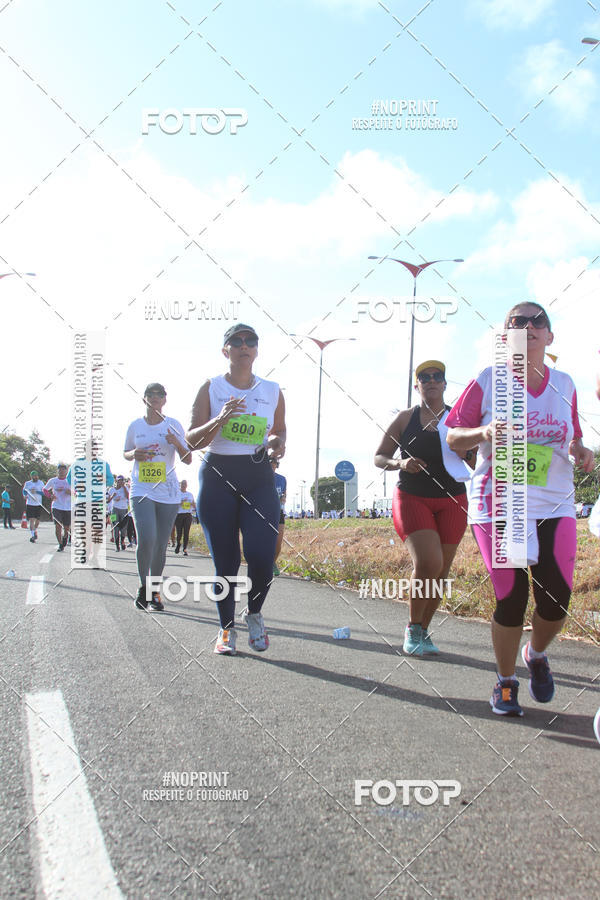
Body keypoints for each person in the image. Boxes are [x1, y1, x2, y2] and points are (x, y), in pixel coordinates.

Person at [446, 303, 594, 716]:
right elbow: (454, 437)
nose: (528, 327)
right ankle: (506, 681)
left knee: (557, 599)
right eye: (517, 322)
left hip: (554, 502)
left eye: (537, 322)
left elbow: (572, 437)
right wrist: (485, 431)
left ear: (550, 336)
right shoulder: (488, 380)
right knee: (512, 596)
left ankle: (536, 653)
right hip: (500, 502)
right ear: (504, 336)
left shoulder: (565, 383)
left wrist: (580, 450)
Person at [186, 324, 286, 655]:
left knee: (261, 554)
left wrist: (277, 444)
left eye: (250, 341)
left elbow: (280, 432)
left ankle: (254, 613)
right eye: (236, 341)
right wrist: (220, 419)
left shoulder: (272, 390)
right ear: (225, 351)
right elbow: (191, 440)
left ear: (256, 350)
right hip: (218, 475)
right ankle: (226, 629)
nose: (244, 346)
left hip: (257, 474)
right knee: (226, 562)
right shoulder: (211, 388)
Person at [375, 360, 470, 656]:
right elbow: (379, 456)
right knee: (428, 563)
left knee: (441, 570)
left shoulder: (459, 418)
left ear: (444, 384)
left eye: (437, 376)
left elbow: (475, 459)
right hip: (412, 497)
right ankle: (413, 628)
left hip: (453, 499)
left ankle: (423, 631)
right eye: (424, 377)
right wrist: (400, 463)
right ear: (417, 386)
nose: (431, 380)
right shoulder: (406, 418)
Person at [124, 383, 191, 610]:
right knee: (147, 540)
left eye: (159, 394)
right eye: (150, 394)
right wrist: (134, 453)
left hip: (168, 492)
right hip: (141, 488)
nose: (154, 398)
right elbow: (126, 452)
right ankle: (143, 586)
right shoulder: (135, 426)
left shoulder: (173, 425)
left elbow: (188, 458)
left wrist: (176, 443)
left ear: (165, 399)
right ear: (144, 399)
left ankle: (154, 591)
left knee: (161, 545)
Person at [43, 463, 72, 551]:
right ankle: (60, 544)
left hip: (68, 507)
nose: (61, 471)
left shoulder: (71, 481)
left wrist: (70, 492)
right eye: (60, 469)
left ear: (66, 471)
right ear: (58, 470)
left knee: (66, 527)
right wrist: (50, 496)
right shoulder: (53, 480)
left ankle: (65, 538)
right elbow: (44, 489)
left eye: (63, 469)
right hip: (56, 506)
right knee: (58, 526)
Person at [271, 459, 286, 576]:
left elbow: (284, 495)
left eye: (274, 462)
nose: (272, 463)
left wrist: (283, 499)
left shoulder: (282, 479)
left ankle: (272, 562)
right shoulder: (259, 477)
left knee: (278, 539)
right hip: (262, 510)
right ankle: (260, 562)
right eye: (270, 461)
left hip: (278, 510)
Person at [107, 475, 130, 551]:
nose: (120, 482)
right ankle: (117, 545)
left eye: (122, 480)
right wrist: (113, 497)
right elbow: (108, 501)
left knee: (123, 528)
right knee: (115, 526)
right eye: (119, 480)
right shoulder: (111, 489)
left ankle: (122, 541)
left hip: (124, 510)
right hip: (114, 510)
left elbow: (128, 497)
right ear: (116, 481)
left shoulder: (125, 488)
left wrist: (124, 488)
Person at [174, 479, 196, 555]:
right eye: (182, 484)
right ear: (180, 485)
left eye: (185, 484)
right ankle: (178, 544)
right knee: (179, 532)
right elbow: (174, 503)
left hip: (188, 514)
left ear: (187, 485)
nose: (183, 486)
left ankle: (185, 549)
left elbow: (193, 504)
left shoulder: (190, 494)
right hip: (179, 514)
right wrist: (181, 502)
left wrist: (191, 504)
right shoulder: (177, 494)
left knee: (186, 532)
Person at [22, 470, 45, 542]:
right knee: (31, 520)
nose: (35, 477)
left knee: (37, 521)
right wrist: (25, 495)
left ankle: (35, 530)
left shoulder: (41, 483)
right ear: (31, 476)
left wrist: (36, 492)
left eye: (36, 476)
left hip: (38, 504)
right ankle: (33, 536)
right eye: (33, 476)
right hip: (30, 504)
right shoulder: (28, 483)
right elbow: (24, 491)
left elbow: (44, 493)